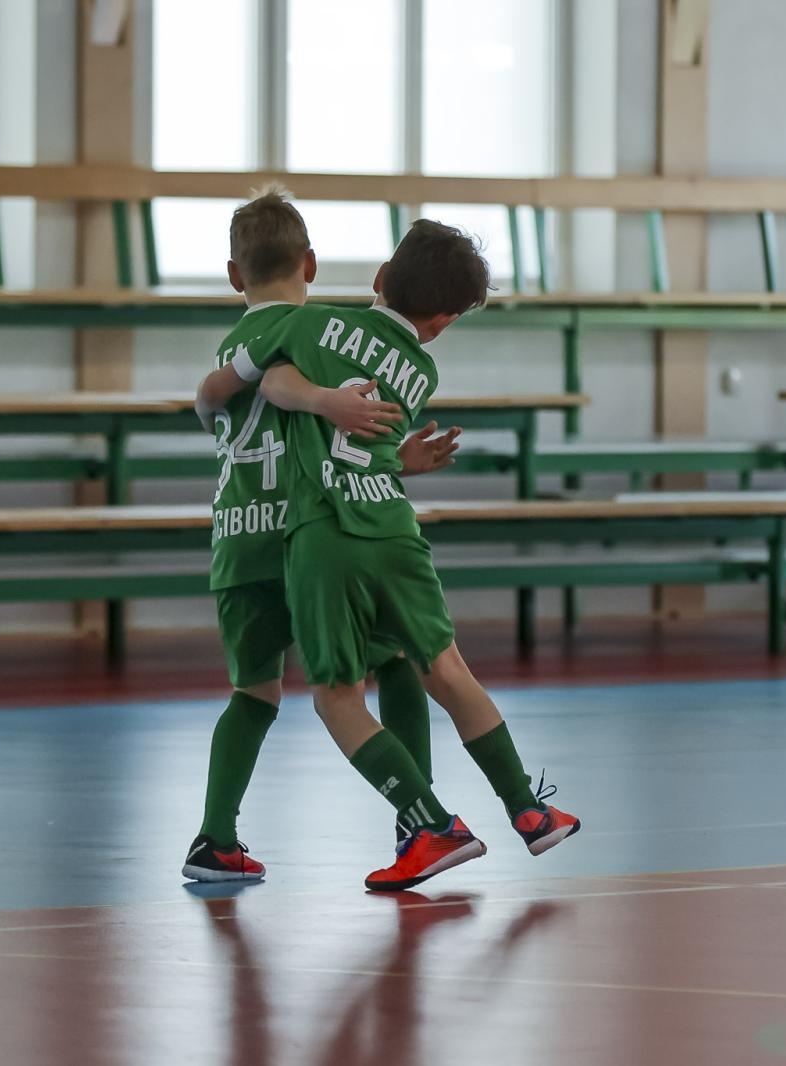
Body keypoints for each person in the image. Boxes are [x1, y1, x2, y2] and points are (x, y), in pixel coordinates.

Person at [228, 219, 581, 891]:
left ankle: (429, 825)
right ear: (443, 321)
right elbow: (370, 445)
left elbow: (265, 382)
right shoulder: (421, 368)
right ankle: (529, 811)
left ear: (379, 278)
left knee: (336, 697)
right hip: (391, 526)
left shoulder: (310, 326)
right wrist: (401, 460)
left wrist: (316, 399)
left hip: (325, 533)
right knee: (447, 670)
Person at [184, 188, 460, 883]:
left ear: (232, 275)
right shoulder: (318, 337)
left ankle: (214, 839)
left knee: (253, 692)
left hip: (238, 537)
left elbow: (211, 400)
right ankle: (418, 820)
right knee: (394, 659)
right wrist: (395, 459)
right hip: (309, 533)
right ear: (311, 263)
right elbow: (325, 432)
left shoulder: (230, 346)